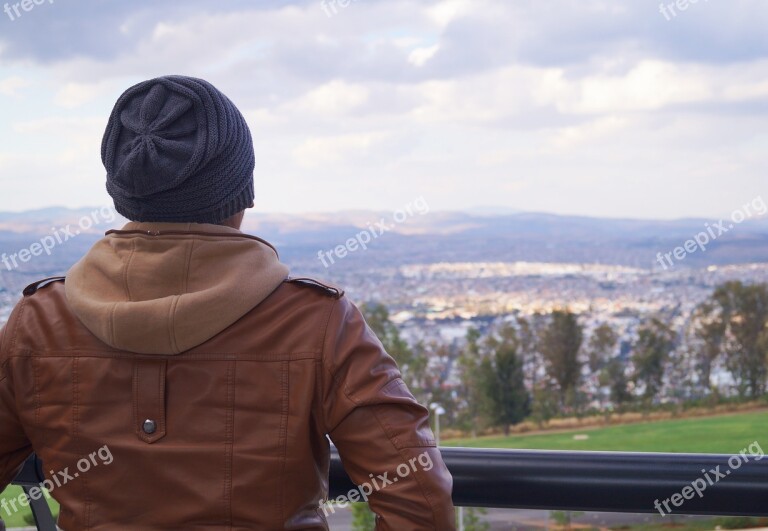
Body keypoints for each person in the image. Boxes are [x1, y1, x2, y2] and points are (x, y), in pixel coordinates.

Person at [0, 75, 455, 530]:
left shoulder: (39, 321)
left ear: (121, 192)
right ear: (242, 193)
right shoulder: (317, 322)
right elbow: (419, 501)